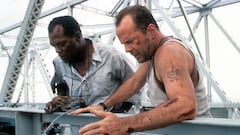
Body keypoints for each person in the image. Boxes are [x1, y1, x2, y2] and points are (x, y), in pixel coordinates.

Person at [71, 5, 210, 134]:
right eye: (124, 43)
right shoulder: (154, 54)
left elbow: (184, 107)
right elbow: (135, 82)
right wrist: (102, 105)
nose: (127, 49)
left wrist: (123, 125)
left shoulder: (169, 53)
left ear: (150, 31)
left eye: (130, 41)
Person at [47, 15, 141, 135]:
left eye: (62, 44)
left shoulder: (111, 56)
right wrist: (58, 102)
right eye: (54, 46)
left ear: (77, 36)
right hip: (77, 131)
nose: (58, 50)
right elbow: (62, 87)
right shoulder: (58, 63)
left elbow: (136, 86)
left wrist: (117, 117)